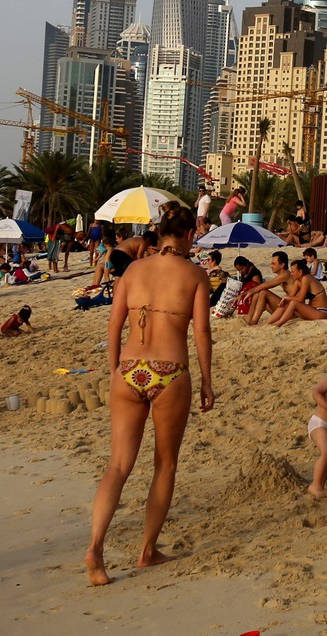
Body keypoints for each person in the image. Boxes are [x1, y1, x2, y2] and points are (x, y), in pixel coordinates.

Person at [84, 204, 213, 586]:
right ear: (189, 234)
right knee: (165, 464)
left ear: (159, 234)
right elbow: (202, 333)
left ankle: (95, 547)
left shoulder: (134, 269)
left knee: (118, 465)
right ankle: (146, 551)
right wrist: (207, 381)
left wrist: (113, 369)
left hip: (129, 370)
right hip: (169, 372)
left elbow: (114, 322)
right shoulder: (195, 275)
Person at [238, 251, 294, 325]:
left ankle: (253, 321)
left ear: (282, 265)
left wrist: (247, 293)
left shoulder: (285, 274)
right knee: (258, 294)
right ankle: (249, 319)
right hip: (286, 308)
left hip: (292, 311)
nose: (271, 266)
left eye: (273, 264)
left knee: (263, 292)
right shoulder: (282, 275)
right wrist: (245, 294)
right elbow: (262, 286)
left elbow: (265, 285)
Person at [266, 259, 327, 326]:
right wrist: (285, 300)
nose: (291, 274)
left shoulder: (306, 278)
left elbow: (300, 299)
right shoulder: (297, 281)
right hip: (311, 310)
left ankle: (279, 323)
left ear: (300, 272)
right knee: (285, 303)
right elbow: (291, 295)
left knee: (293, 303)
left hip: (321, 312)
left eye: (293, 272)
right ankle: (267, 323)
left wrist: (287, 297)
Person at [306, 374, 327, 498]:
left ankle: (321, 486)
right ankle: (315, 485)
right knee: (326, 451)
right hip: (319, 422)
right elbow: (316, 393)